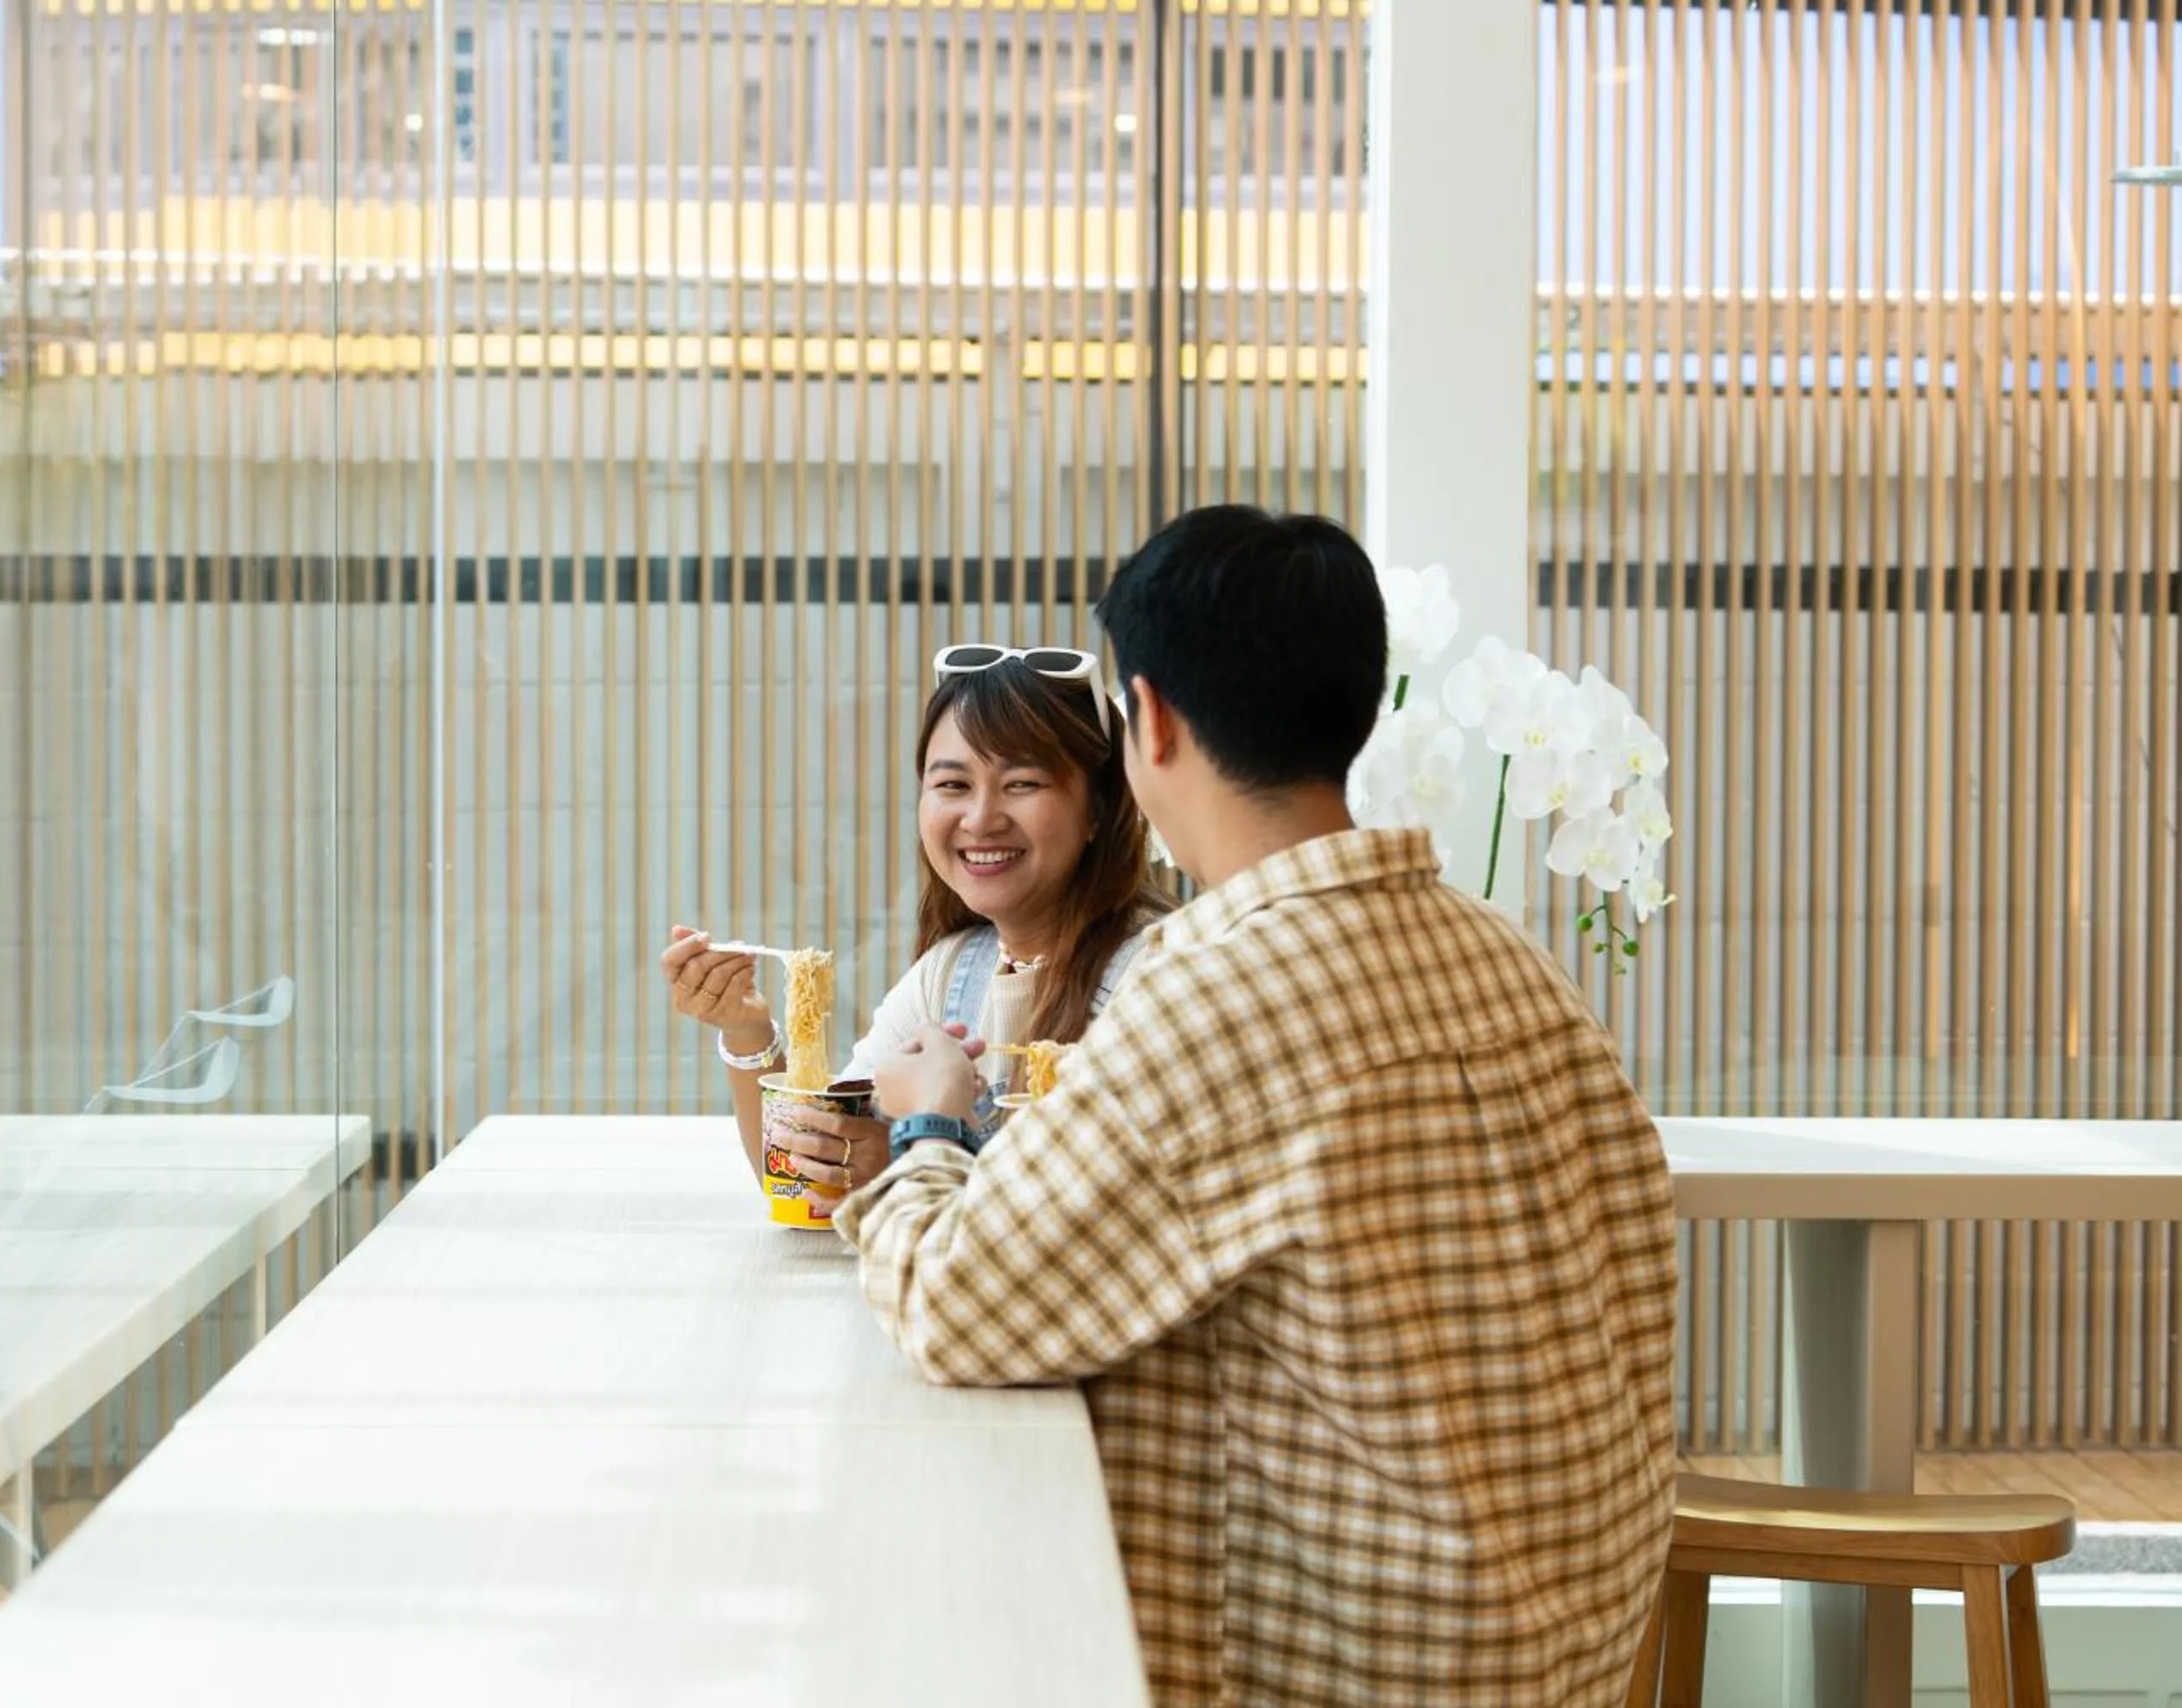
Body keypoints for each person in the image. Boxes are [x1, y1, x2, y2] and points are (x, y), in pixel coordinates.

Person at [848, 508, 1677, 1706]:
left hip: (1350, 1668)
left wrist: (927, 1124)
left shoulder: (1212, 993)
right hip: (1568, 1659)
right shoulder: (1510, 963)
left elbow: (951, 1303)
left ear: (1152, 724)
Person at [660, 646, 1171, 1210]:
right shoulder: (952, 970)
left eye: (1023, 784)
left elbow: (1101, 1224)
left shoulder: (1157, 978)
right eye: (953, 785)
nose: (980, 819)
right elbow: (807, 1183)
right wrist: (747, 1033)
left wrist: (906, 1157)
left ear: (1098, 808)